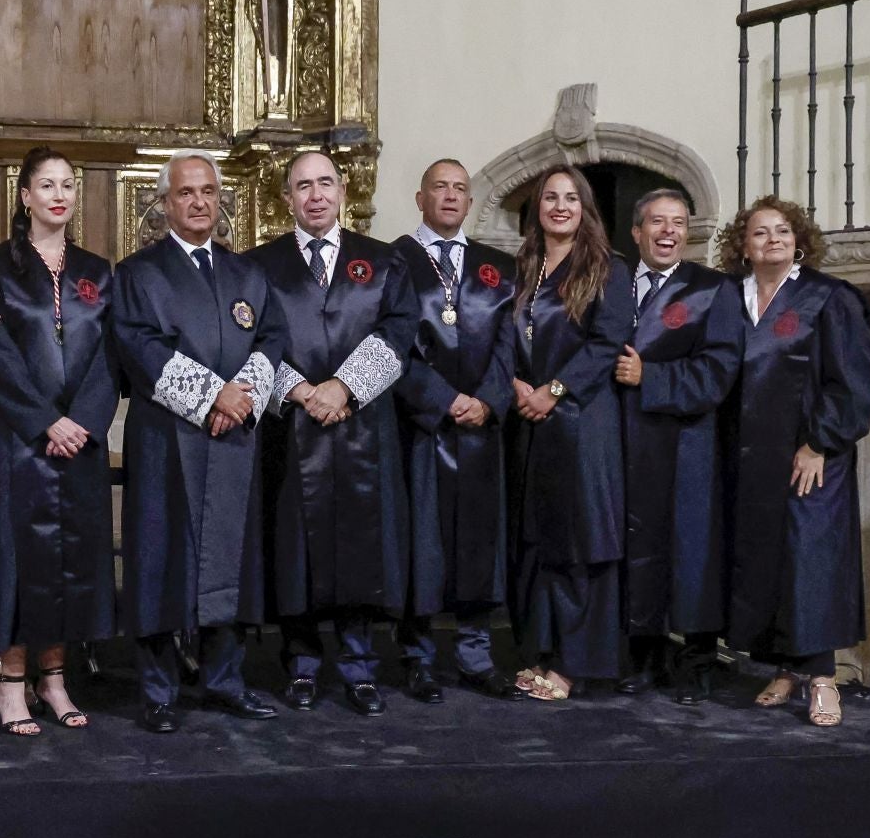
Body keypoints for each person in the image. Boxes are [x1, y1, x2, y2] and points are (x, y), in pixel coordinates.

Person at [112, 149, 287, 733]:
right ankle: (159, 691)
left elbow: (271, 338)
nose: (199, 202)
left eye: (208, 191)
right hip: (168, 438)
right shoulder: (139, 274)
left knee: (230, 557)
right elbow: (139, 347)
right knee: (161, 558)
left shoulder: (247, 274)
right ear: (165, 203)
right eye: (186, 193)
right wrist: (214, 396)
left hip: (232, 441)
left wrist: (242, 398)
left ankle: (224, 681)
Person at [247, 150, 415, 715]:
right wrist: (299, 392)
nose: (315, 195)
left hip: (363, 427)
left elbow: (399, 330)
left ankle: (360, 667)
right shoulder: (259, 265)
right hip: (292, 430)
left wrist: (343, 387)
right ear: (286, 198)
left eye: (324, 183)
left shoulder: (384, 260)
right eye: (302, 186)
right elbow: (252, 343)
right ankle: (301, 664)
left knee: (361, 547)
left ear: (343, 190)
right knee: (295, 549)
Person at [0, 148, 118, 735]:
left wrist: (82, 421)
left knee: (70, 563)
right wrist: (44, 421)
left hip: (79, 440)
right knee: (19, 566)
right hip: (19, 441)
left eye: (68, 185)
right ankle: (10, 686)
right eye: (46, 184)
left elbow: (110, 355)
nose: (59, 194)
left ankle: (55, 681)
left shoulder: (98, 270)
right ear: (24, 196)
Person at [718, 196, 870, 728]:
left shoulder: (827, 298)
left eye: (783, 231)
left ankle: (823, 679)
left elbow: (853, 381)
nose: (773, 240)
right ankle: (783, 667)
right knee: (765, 565)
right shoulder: (728, 298)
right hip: (748, 459)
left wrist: (819, 444)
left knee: (810, 564)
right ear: (743, 245)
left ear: (800, 240)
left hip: (809, 456)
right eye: (760, 233)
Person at [391, 159, 521, 698]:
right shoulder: (392, 260)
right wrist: (443, 399)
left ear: (470, 203)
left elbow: (509, 344)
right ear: (420, 198)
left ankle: (474, 654)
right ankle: (417, 657)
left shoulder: (498, 267)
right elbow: (390, 345)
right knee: (420, 542)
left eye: (459, 189)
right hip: (420, 428)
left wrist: (488, 401)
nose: (449, 196)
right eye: (439, 187)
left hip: (480, 432)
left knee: (477, 543)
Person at [613, 189, 744, 703]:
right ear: (637, 232)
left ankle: (696, 664)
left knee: (693, 555)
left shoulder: (713, 290)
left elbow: (719, 371)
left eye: (679, 223)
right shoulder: (614, 286)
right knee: (637, 550)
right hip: (628, 441)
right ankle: (643, 660)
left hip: (689, 445)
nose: (668, 232)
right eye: (657, 222)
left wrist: (651, 376)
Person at [507, 165, 633, 701]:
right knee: (540, 544)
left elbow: (607, 345)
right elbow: (507, 334)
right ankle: (543, 653)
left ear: (586, 208)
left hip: (582, 422)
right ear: (537, 207)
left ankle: (572, 665)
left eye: (571, 198)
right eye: (550, 198)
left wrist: (552, 391)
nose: (560, 206)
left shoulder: (607, 267)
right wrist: (514, 383)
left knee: (581, 547)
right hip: (531, 422)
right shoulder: (525, 265)